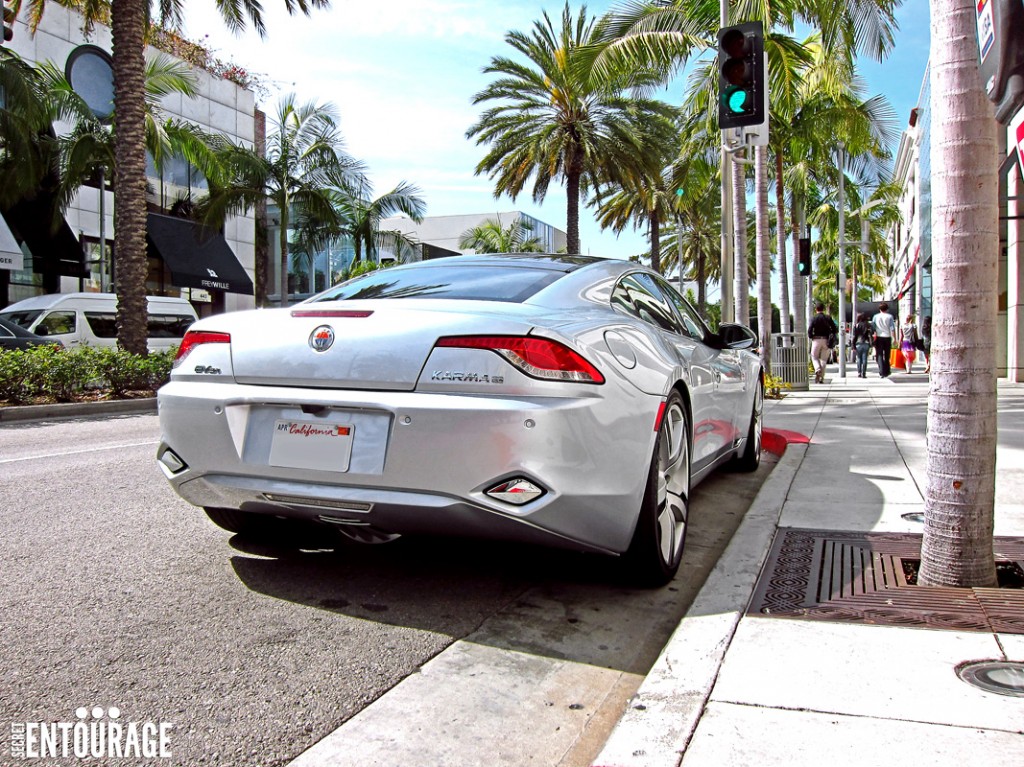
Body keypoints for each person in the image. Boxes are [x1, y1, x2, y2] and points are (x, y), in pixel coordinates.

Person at [808, 302, 838, 384]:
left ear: (816, 309)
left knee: (814, 356)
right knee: (824, 360)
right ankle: (821, 378)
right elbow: (835, 329)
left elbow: (810, 329)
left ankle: (817, 369)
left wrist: (811, 336)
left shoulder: (814, 318)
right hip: (826, 340)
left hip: (816, 339)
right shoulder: (828, 318)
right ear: (823, 309)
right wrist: (830, 333)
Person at [871, 302, 896, 378]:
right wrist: (894, 338)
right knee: (887, 354)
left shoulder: (875, 317)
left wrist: (874, 334)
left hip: (878, 337)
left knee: (879, 354)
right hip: (887, 337)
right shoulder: (890, 317)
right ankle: (887, 370)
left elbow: (873, 327)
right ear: (887, 309)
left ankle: (881, 371)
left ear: (879, 309)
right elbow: (892, 328)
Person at [852, 312, 874, 378]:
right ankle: (864, 373)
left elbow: (854, 336)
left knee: (859, 358)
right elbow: (871, 334)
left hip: (858, 343)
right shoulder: (868, 325)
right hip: (866, 343)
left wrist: (853, 345)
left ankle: (859, 372)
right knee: (865, 359)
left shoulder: (856, 325)